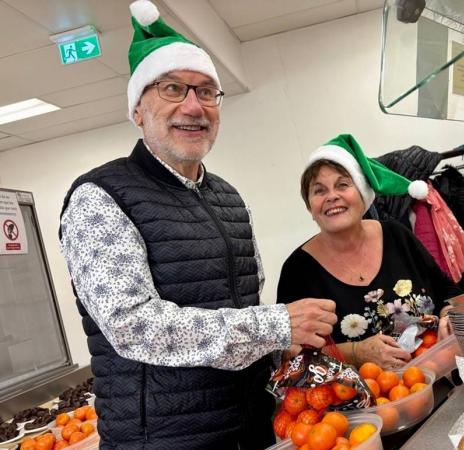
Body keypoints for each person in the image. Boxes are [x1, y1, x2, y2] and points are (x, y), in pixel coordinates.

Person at [58, 2, 336, 449]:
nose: (194, 106)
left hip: (251, 425)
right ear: (137, 110)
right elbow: (134, 326)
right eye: (173, 88)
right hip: (164, 440)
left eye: (207, 92)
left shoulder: (226, 196)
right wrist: (275, 326)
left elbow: (242, 302)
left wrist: (281, 348)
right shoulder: (100, 198)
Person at [277, 135, 462, 370]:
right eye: (319, 190)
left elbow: (448, 291)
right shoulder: (298, 270)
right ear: (310, 207)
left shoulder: (397, 235)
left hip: (440, 378)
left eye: (343, 185)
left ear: (362, 193)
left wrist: (449, 314)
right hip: (363, 402)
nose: (331, 196)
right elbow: (291, 352)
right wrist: (357, 352)